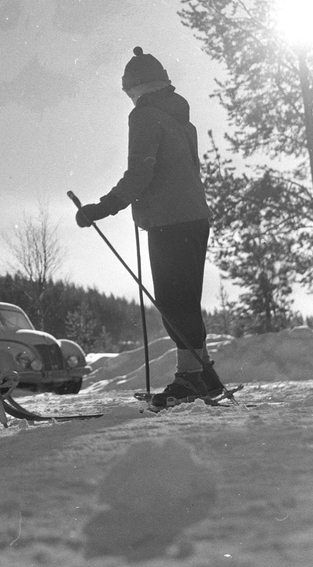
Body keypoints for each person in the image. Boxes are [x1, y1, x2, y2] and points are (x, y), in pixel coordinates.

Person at [73, 47, 225, 409]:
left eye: (128, 90)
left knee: (173, 301)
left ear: (137, 88)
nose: (128, 97)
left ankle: (189, 378)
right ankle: (205, 374)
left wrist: (101, 209)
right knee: (185, 298)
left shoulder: (143, 117)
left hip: (169, 220)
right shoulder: (180, 118)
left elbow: (140, 173)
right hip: (194, 217)